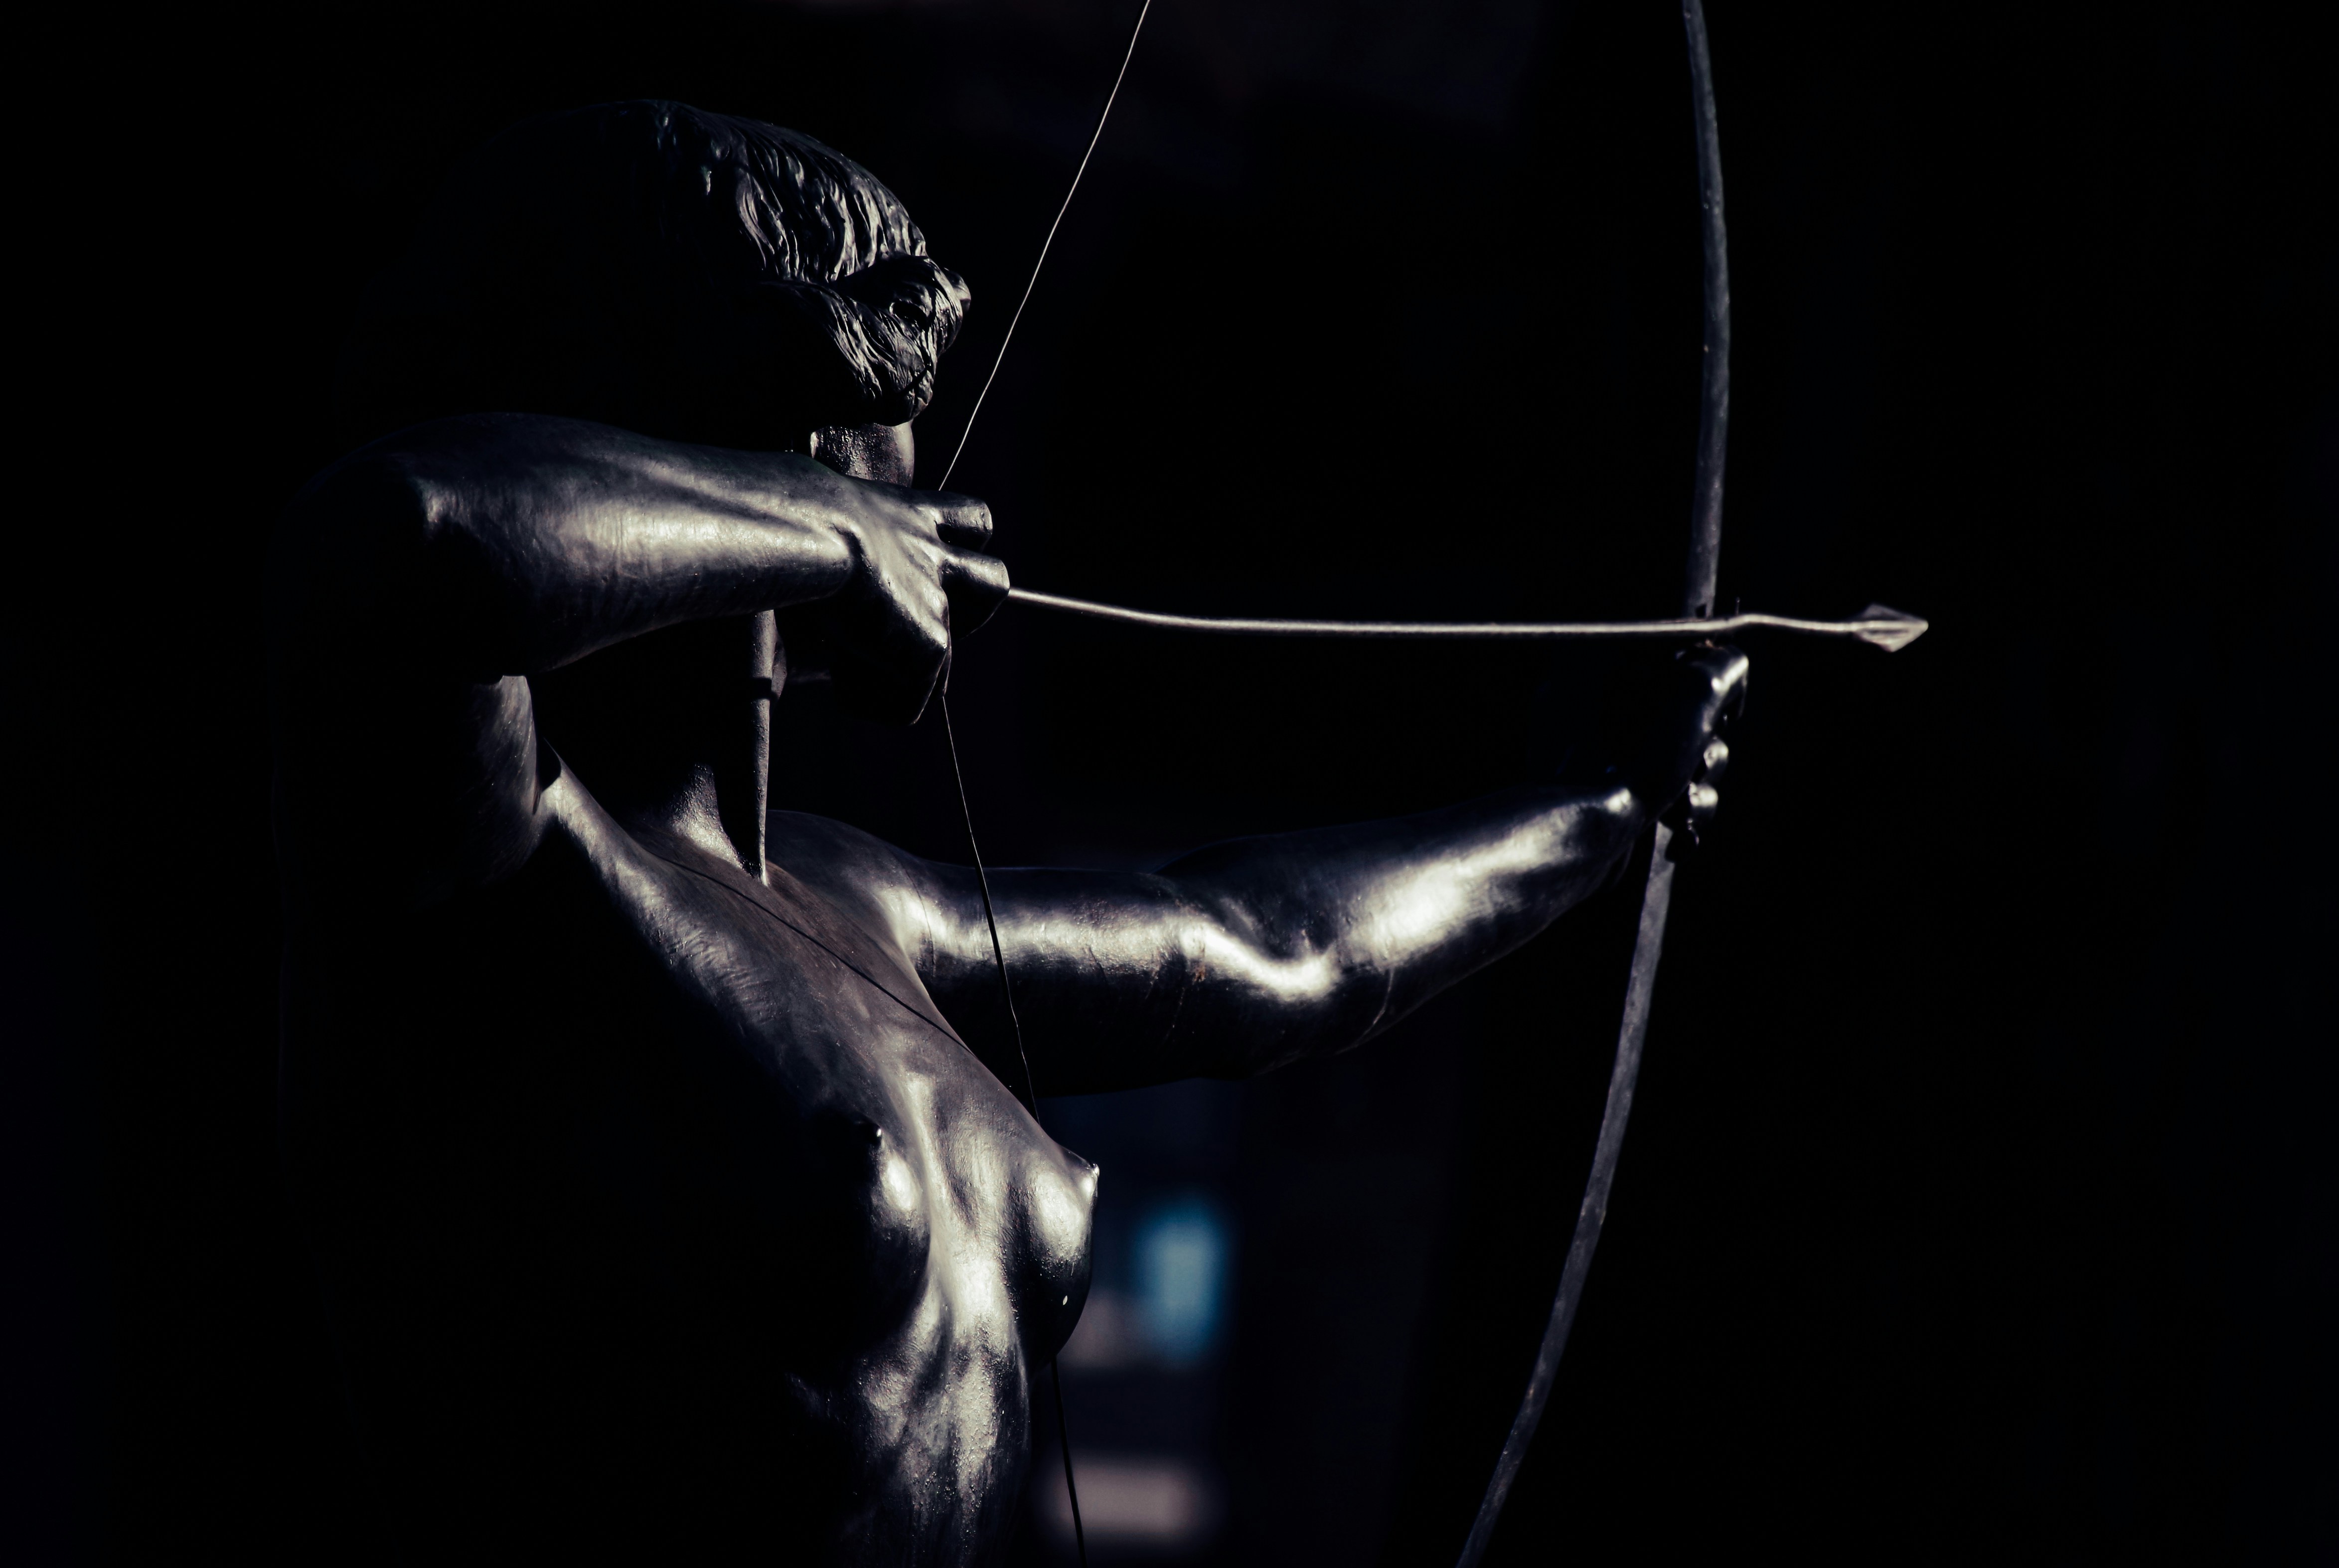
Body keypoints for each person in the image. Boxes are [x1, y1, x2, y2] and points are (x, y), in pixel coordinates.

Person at [270, 100, 1744, 1563]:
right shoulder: (498, 857)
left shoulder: (864, 910)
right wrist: (834, 532)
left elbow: (1271, 946)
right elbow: (404, 541)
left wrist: (1611, 801)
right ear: (752, 443)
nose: (915, 453)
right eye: (860, 409)